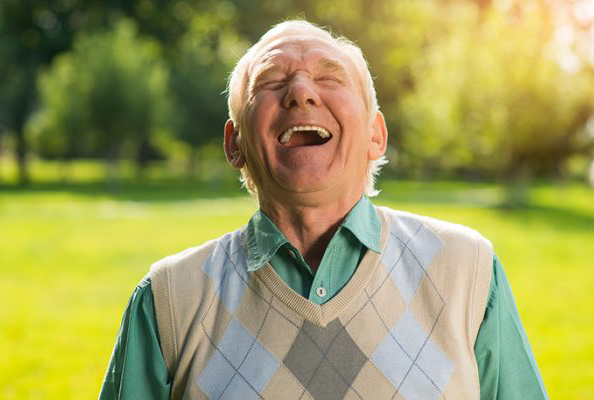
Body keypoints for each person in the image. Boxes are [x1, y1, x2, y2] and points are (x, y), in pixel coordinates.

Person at [99, 20, 548, 400]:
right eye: (271, 82)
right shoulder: (166, 300)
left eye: (329, 78)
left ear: (376, 135)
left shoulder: (469, 271)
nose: (300, 92)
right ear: (235, 144)